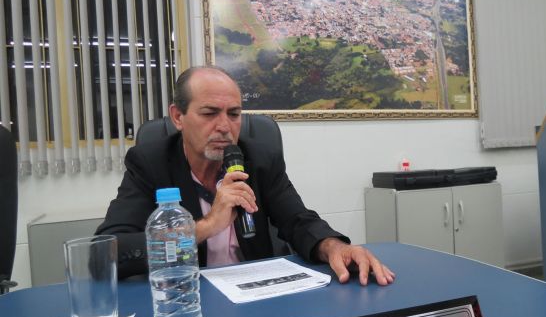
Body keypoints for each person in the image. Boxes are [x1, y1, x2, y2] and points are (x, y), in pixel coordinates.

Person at [97, 66, 395, 286]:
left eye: (234, 114)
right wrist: (206, 225)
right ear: (178, 117)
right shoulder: (150, 162)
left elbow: (298, 220)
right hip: (185, 298)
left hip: (255, 294)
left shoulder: (259, 158)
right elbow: (108, 251)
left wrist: (335, 247)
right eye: (209, 113)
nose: (224, 127)